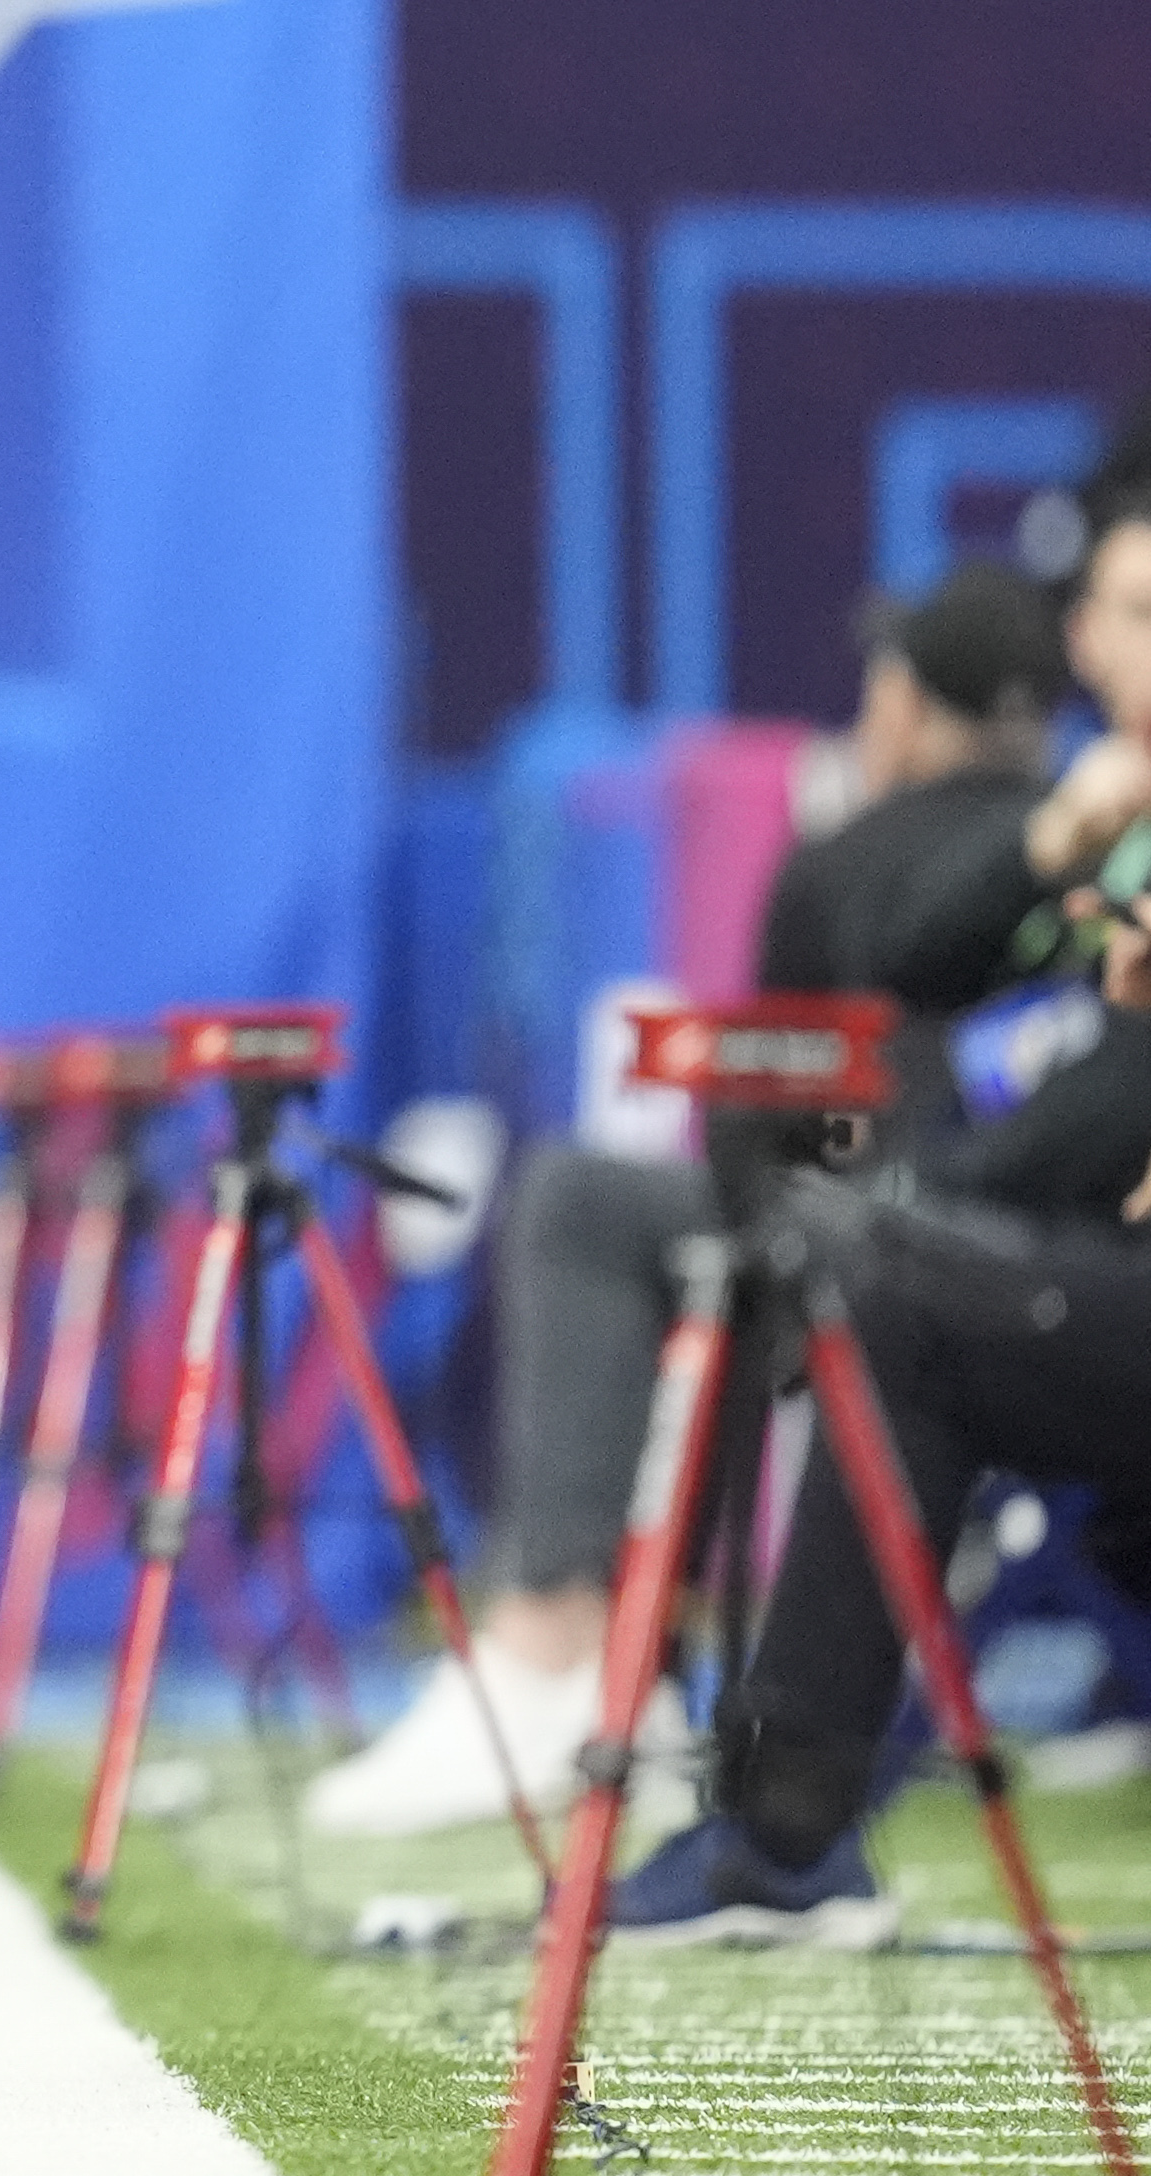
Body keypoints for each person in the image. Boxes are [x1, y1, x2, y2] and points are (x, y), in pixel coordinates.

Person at [303, 562, 1079, 1839]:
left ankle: (564, 1643)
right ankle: (623, 1657)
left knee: (601, 1207)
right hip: (1061, 1264)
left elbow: (761, 1144)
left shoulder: (849, 863)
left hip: (908, 1270)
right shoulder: (1106, 848)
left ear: (909, 706)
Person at [612, 489, 1151, 1939]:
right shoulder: (1107, 815)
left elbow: (1107, 1091)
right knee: (882, 1279)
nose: (1102, 649)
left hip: (1081, 1250)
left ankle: (779, 1827)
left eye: (1135, 614)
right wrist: (1056, 834)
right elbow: (913, 958)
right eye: (1106, 610)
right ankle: (778, 1820)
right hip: (1084, 1245)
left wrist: (915, 1203)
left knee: (887, 1285)